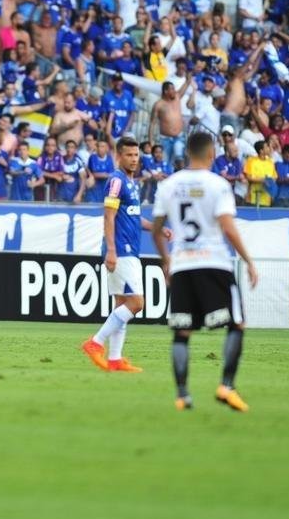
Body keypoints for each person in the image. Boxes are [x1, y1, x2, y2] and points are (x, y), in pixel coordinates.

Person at [151, 132, 259, 412]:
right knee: (236, 323)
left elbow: (156, 229)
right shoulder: (218, 185)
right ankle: (226, 386)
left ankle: (182, 395)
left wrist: (166, 262)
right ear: (212, 154)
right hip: (214, 262)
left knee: (182, 331)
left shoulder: (168, 185)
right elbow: (227, 227)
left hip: (183, 265)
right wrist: (248, 260)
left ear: (187, 152)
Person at [81, 136, 163, 373]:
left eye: (136, 155)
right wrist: (112, 251)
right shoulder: (116, 181)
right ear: (119, 156)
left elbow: (134, 218)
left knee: (121, 304)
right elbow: (108, 216)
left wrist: (158, 228)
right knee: (137, 303)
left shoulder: (131, 182)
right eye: (129, 155)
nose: (134, 159)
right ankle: (95, 343)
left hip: (130, 249)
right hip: (121, 250)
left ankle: (115, 359)